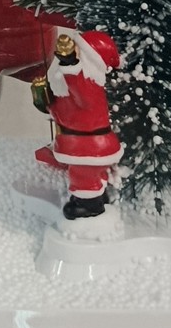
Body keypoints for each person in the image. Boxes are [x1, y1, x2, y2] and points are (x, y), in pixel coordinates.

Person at [31, 26, 121, 220]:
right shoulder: (72, 91)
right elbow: (62, 110)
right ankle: (97, 197)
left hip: (88, 147)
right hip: (88, 146)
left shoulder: (88, 85)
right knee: (91, 175)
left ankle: (90, 206)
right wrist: (44, 100)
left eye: (78, 52)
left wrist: (70, 64)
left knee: (83, 177)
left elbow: (80, 88)